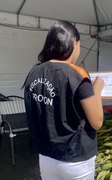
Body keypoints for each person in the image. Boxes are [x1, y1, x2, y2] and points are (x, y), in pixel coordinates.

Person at [23, 20, 104, 180]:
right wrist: (97, 90)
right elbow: (97, 122)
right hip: (75, 159)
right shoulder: (78, 74)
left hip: (46, 156)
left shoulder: (34, 73)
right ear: (73, 43)